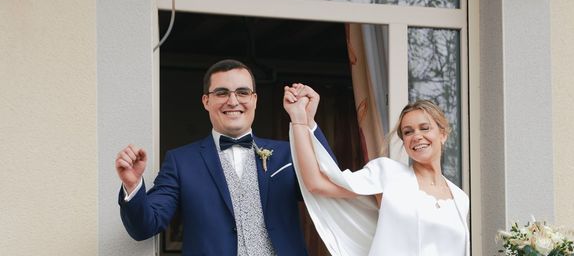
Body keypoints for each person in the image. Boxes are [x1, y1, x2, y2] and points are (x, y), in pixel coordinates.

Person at [115, 59, 334, 256]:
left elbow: (330, 184)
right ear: (206, 101)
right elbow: (145, 227)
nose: (232, 101)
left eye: (242, 92)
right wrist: (133, 186)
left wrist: (307, 121)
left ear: (255, 99)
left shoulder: (287, 153)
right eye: (221, 93)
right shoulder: (181, 161)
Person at [284, 85, 470, 256]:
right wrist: (300, 120)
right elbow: (316, 184)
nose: (417, 136)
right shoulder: (388, 174)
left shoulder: (461, 198)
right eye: (408, 132)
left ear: (443, 134)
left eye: (424, 128)